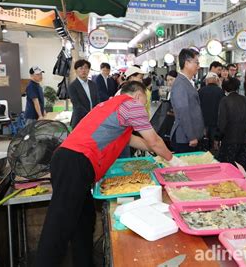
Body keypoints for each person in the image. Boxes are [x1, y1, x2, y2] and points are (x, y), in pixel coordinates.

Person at [36, 81, 182, 267]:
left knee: (84, 221)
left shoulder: (108, 106)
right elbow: (153, 141)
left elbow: (133, 140)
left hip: (68, 160)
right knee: (58, 226)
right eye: (144, 102)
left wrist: (159, 152)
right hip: (75, 162)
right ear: (138, 95)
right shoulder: (132, 105)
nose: (144, 107)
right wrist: (172, 160)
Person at [217, 77, 246, 170]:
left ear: (224, 88)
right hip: (245, 140)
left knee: (228, 170)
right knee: (242, 169)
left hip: (229, 140)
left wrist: (218, 138)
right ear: (237, 87)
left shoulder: (224, 101)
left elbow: (222, 123)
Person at [170, 48, 205, 153]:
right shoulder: (180, 84)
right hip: (184, 139)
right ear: (186, 63)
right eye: (196, 63)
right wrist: (191, 136)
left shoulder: (187, 82)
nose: (198, 66)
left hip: (190, 137)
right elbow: (183, 112)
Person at [69, 60, 99, 129]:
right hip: (79, 120)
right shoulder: (72, 86)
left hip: (94, 119)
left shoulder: (93, 84)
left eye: (86, 68)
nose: (84, 70)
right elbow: (77, 104)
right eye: (81, 68)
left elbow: (97, 100)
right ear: (76, 70)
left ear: (89, 70)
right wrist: (89, 115)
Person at [198, 72, 225, 152]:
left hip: (203, 123)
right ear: (217, 81)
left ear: (206, 81)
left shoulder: (200, 91)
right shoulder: (220, 91)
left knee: (204, 145)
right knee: (215, 146)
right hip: (216, 123)